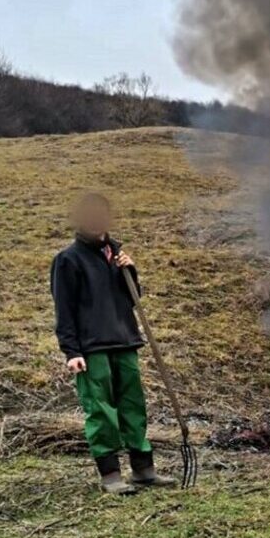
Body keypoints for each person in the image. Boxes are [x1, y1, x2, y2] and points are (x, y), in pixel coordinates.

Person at [50, 192, 175, 494]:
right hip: (92, 348)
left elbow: (132, 300)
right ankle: (111, 476)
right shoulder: (68, 260)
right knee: (101, 411)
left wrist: (129, 271)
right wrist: (71, 351)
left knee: (134, 407)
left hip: (125, 341)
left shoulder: (117, 256)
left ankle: (143, 470)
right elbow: (64, 309)